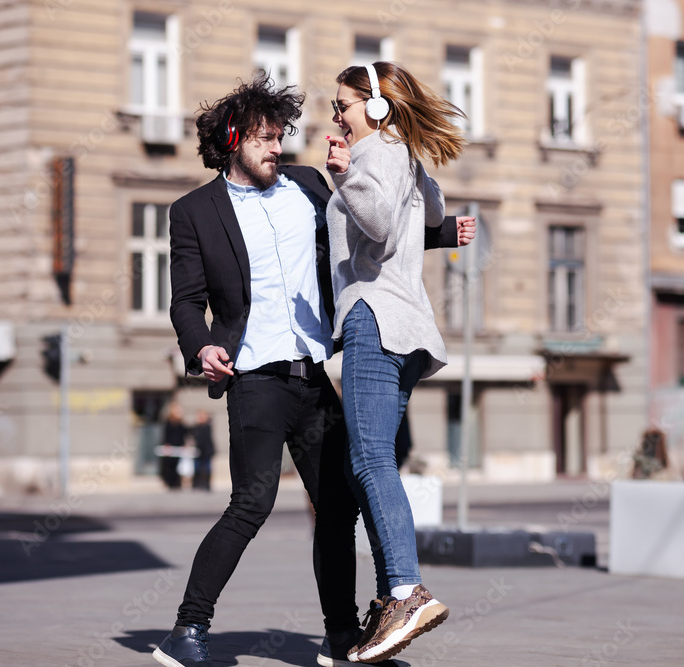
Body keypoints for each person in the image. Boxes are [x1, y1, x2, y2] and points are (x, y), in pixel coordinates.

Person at [153, 76, 472, 667]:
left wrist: (442, 234)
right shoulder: (193, 212)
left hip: (317, 372)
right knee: (252, 502)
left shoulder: (306, 183)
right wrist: (199, 346)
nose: (278, 147)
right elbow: (184, 300)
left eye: (280, 136)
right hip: (255, 375)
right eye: (264, 138)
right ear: (231, 140)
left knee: (337, 506)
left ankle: (342, 636)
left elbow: (367, 224)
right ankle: (188, 629)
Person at [324, 61, 470, 663]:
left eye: (344, 105)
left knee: (370, 460)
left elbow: (380, 227)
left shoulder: (371, 155)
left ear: (377, 106)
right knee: (370, 462)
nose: (336, 115)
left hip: (374, 317)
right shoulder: (403, 154)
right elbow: (432, 214)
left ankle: (406, 591)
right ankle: (393, 599)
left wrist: (342, 177)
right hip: (409, 328)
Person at [159, 403, 186, 490]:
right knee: (169, 466)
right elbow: (166, 435)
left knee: (178, 466)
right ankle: (170, 482)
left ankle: (177, 483)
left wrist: (184, 444)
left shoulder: (181, 423)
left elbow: (183, 434)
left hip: (178, 447)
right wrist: (166, 444)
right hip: (170, 447)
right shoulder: (168, 422)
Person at [191, 410, 215, 491]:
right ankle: (197, 483)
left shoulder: (207, 426)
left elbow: (204, 440)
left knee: (207, 467)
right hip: (198, 451)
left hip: (207, 451)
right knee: (197, 467)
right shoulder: (196, 427)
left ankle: (207, 484)